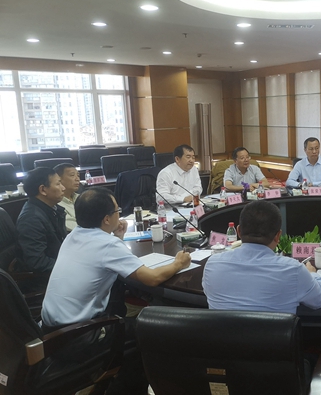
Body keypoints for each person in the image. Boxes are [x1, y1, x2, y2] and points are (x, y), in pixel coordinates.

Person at [41, 187, 190, 394]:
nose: (119, 214)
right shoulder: (107, 244)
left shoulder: (73, 235)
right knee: (152, 331)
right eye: (117, 210)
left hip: (50, 333)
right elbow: (152, 278)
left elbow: (102, 260)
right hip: (79, 337)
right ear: (106, 219)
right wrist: (178, 263)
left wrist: (118, 237)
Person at [203, 201, 321, 314]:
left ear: (239, 231)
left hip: (223, 336)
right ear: (278, 236)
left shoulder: (213, 265)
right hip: (276, 337)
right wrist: (313, 274)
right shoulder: (293, 270)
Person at [15, 167, 67, 274]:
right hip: (45, 278)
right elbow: (37, 262)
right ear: (43, 190)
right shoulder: (31, 219)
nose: (63, 188)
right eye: (58, 184)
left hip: (59, 262)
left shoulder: (52, 209)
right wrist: (70, 266)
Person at [55, 163, 80, 231]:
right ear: (58, 179)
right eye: (72, 175)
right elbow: (73, 227)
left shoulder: (81, 198)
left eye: (78, 175)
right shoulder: (56, 204)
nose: (77, 179)